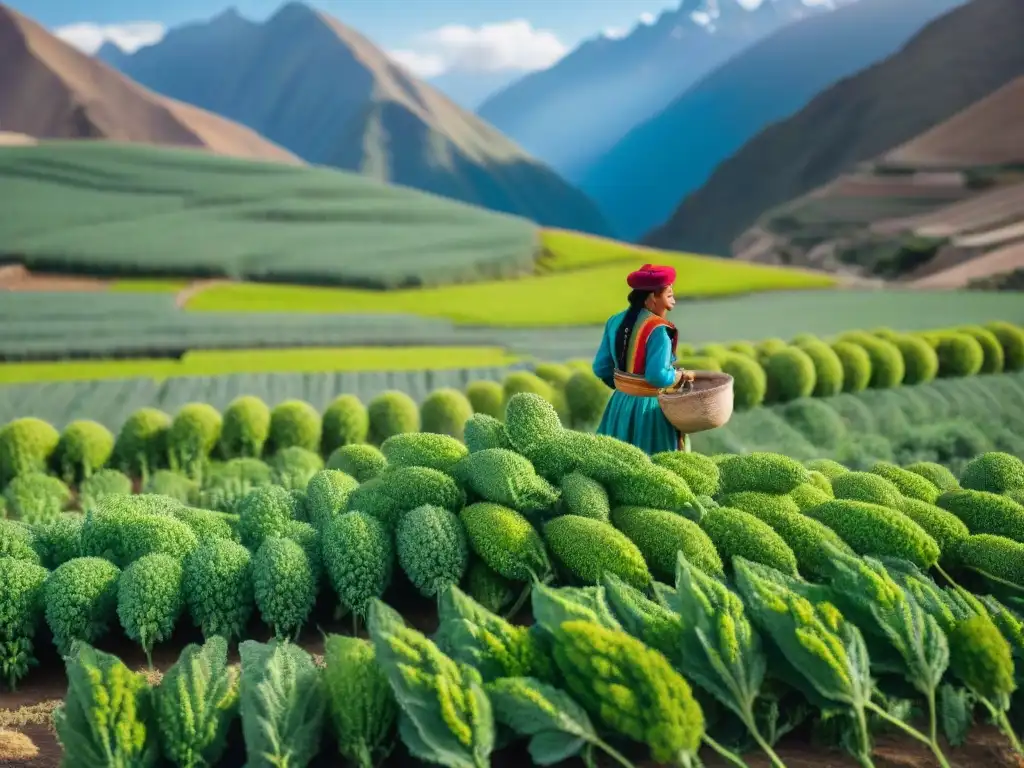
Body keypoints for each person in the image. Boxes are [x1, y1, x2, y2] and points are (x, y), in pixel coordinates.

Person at [591, 264, 694, 454]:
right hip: (649, 408)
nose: (674, 300)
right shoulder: (659, 331)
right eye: (669, 295)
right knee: (656, 464)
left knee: (614, 460)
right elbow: (657, 376)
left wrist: (625, 386)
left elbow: (600, 367)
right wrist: (681, 376)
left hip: (620, 403)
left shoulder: (615, 321)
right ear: (653, 297)